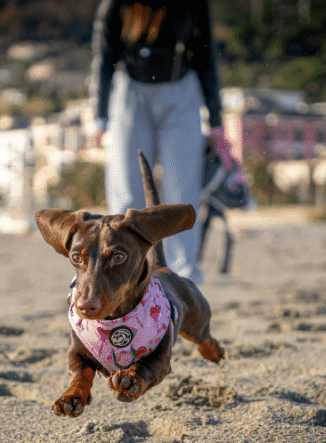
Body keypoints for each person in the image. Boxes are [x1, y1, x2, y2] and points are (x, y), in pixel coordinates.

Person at [88, 0, 237, 284]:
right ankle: (126, 275)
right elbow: (104, 56)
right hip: (130, 93)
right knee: (126, 195)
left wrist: (216, 119)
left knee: (182, 193)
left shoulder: (194, 4)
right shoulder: (116, 4)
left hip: (181, 94)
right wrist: (99, 117)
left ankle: (182, 279)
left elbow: (205, 56)